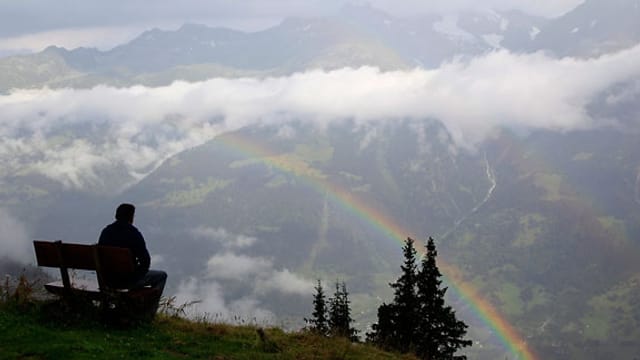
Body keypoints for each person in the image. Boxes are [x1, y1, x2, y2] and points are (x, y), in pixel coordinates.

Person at [98, 203, 167, 296]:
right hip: (128, 280)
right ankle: (148, 309)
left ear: (116, 215)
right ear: (131, 217)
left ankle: (127, 304)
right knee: (162, 276)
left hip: (107, 280)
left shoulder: (106, 231)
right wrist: (136, 275)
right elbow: (146, 261)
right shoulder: (133, 233)